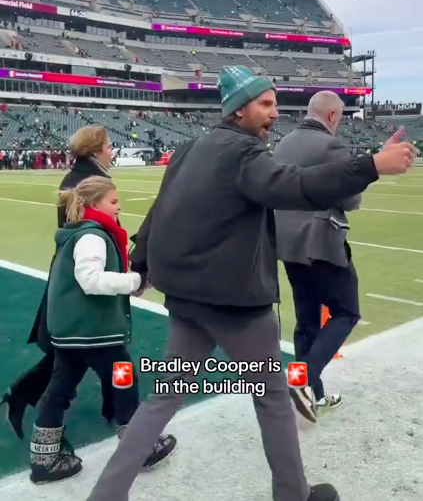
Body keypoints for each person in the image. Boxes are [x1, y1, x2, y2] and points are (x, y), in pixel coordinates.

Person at [86, 66, 417, 501]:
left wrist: (141, 265)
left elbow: (157, 213)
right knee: (272, 398)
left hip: (187, 298)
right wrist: (372, 165)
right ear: (239, 109)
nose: (274, 113)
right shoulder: (243, 154)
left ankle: (105, 495)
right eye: (265, 104)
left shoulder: (189, 149)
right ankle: (293, 494)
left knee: (163, 399)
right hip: (236, 303)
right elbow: (297, 186)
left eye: (275, 104)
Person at [29, 176, 176, 484]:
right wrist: (134, 281)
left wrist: (131, 284)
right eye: (113, 201)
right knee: (123, 381)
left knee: (60, 390)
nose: (119, 205)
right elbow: (91, 280)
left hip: (72, 332)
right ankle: (140, 447)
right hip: (93, 332)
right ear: (94, 205)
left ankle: (44, 458)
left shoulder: (82, 234)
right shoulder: (93, 236)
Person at [273, 95, 406, 413]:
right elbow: (350, 200)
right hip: (319, 242)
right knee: (346, 312)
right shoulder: (330, 146)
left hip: (287, 244)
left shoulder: (283, 144)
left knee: (307, 323)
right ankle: (303, 380)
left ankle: (311, 393)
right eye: (341, 117)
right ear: (332, 114)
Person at [1, 125, 117, 437]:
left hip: (72, 270)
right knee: (106, 344)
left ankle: (23, 394)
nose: (111, 149)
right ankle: (120, 411)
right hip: (85, 273)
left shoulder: (76, 176)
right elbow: (95, 231)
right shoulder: (92, 181)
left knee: (70, 351)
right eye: (107, 145)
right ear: (95, 149)